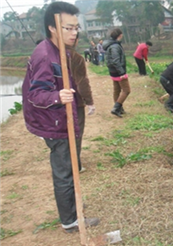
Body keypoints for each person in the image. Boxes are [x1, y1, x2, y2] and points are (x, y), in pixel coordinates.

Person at [22, 1, 99, 233]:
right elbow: (35, 94)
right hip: (53, 123)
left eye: (76, 28)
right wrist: (57, 96)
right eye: (68, 28)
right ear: (53, 28)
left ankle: (73, 208)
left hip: (62, 119)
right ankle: (71, 221)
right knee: (65, 169)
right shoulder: (45, 55)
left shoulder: (60, 51)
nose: (74, 33)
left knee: (71, 165)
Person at [68, 32, 95, 173]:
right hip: (74, 102)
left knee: (62, 135)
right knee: (76, 133)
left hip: (54, 102)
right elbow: (82, 81)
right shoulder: (76, 58)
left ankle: (64, 165)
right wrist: (89, 101)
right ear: (76, 41)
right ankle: (75, 165)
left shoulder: (49, 55)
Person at [103, 28, 130, 117]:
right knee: (126, 90)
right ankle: (116, 107)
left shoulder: (110, 44)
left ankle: (119, 108)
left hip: (113, 71)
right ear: (119, 35)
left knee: (117, 90)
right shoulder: (115, 46)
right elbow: (116, 60)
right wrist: (122, 72)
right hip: (118, 71)